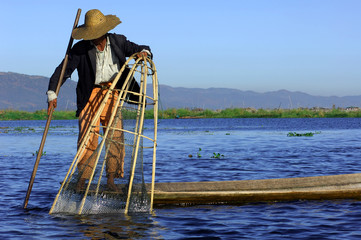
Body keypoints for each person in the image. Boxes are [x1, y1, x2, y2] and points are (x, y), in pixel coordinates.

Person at [47, 9, 152, 191]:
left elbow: (143, 49)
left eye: (96, 35)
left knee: (115, 136)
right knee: (88, 138)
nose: (93, 38)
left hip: (112, 92)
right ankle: (82, 181)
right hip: (91, 95)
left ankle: (111, 181)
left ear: (104, 32)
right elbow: (63, 70)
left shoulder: (118, 41)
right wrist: (52, 93)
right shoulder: (80, 49)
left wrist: (144, 54)